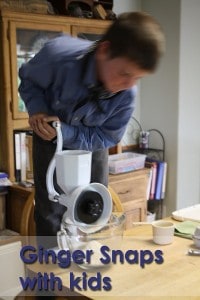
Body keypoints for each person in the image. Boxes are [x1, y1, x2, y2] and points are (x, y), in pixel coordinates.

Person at [18, 11, 165, 248]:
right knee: (50, 212)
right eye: (124, 73)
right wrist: (36, 110)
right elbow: (28, 79)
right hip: (49, 141)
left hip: (93, 146)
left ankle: (90, 269)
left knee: (93, 209)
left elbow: (106, 136)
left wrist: (66, 131)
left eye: (137, 78)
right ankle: (50, 278)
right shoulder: (58, 56)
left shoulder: (127, 95)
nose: (128, 85)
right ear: (104, 51)